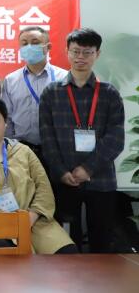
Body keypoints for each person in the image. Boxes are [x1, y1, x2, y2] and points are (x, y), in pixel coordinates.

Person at [0, 96, 77, 254]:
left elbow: (44, 188)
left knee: (67, 254)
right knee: (7, 259)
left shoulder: (24, 151)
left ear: (5, 122)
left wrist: (31, 216)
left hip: (34, 223)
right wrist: (5, 219)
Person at [39, 28, 124, 253]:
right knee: (67, 243)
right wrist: (61, 171)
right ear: (67, 52)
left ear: (98, 54)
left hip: (101, 179)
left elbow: (116, 138)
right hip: (65, 179)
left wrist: (88, 168)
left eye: (87, 52)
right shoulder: (51, 93)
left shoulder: (109, 93)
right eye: (76, 51)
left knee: (102, 242)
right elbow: (47, 138)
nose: (80, 57)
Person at [2, 26, 68, 159]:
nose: (29, 47)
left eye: (35, 42)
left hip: (57, 149)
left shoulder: (64, 78)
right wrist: (10, 147)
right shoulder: (11, 80)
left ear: (48, 47)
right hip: (20, 150)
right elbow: (6, 117)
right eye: (24, 43)